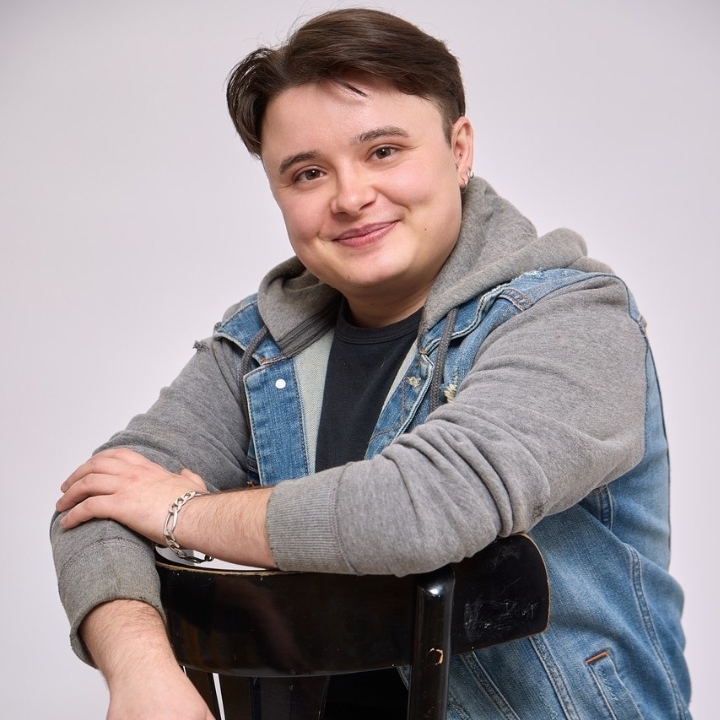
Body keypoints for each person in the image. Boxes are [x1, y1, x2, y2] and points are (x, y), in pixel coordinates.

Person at [51, 7, 692, 719]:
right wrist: (142, 673)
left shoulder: (572, 318)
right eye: (308, 173)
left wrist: (179, 513)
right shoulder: (260, 345)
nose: (351, 197)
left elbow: (425, 508)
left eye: (383, 151)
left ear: (459, 150)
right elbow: (95, 505)